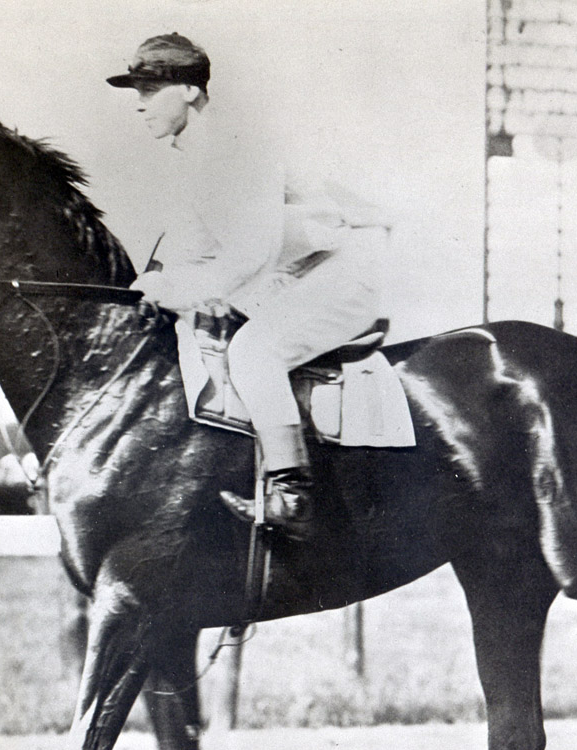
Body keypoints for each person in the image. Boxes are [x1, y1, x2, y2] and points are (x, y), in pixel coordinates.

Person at [107, 33, 389, 540]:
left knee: (255, 351)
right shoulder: (191, 161)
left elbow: (246, 259)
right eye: (137, 91)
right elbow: (189, 252)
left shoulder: (234, 150)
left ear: (190, 91)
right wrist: (151, 283)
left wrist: (171, 288)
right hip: (291, 276)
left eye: (150, 89)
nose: (139, 104)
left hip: (341, 273)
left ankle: (292, 495)